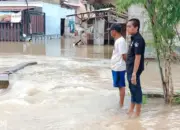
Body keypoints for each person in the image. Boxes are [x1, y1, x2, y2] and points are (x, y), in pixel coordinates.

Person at [126, 18, 146, 117]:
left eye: (130, 26)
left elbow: (138, 57)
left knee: (136, 90)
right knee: (132, 89)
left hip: (134, 70)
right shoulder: (133, 39)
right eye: (127, 26)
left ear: (136, 27)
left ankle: (137, 114)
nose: (127, 28)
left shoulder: (138, 40)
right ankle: (131, 110)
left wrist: (134, 73)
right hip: (130, 69)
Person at [109, 23, 127, 108]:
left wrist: (128, 66)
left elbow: (124, 56)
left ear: (114, 31)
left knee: (121, 86)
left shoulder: (121, 41)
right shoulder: (118, 40)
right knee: (119, 86)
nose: (110, 33)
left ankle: (121, 104)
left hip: (119, 67)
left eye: (111, 31)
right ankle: (120, 103)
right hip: (116, 67)